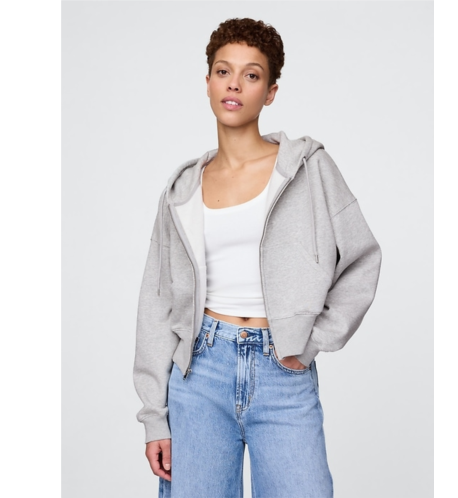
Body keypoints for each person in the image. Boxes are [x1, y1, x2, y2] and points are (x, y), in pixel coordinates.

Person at [133, 17, 382, 498]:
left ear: (270, 92)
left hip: (282, 370)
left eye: (251, 75)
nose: (234, 84)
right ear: (208, 82)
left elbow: (362, 259)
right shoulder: (182, 189)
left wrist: (311, 341)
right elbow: (156, 302)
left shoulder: (307, 169)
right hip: (199, 373)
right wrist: (154, 418)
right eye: (223, 71)